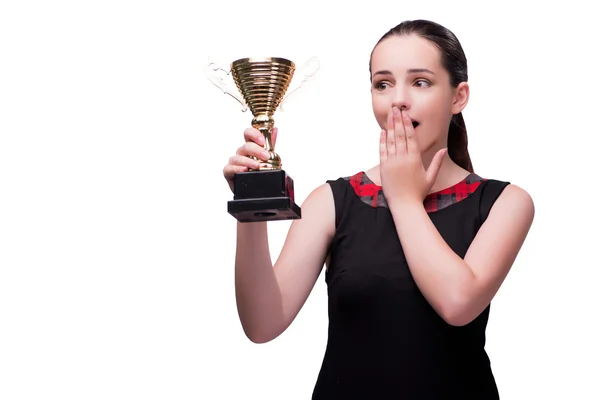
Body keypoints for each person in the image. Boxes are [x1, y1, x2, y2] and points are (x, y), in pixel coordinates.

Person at [222, 19, 535, 399]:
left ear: (458, 96)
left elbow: (458, 303)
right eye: (383, 84)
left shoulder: (505, 202)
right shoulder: (332, 201)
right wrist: (250, 207)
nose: (397, 99)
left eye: (420, 82)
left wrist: (403, 197)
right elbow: (262, 323)